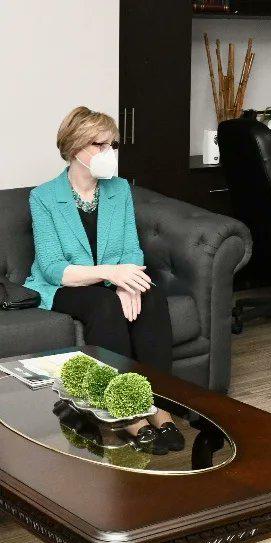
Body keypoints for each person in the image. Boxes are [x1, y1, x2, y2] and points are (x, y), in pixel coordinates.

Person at [25, 106, 183, 455]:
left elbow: (131, 249)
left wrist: (128, 281)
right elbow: (52, 268)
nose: (108, 152)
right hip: (66, 284)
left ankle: (159, 405)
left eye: (112, 144)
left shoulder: (119, 189)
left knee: (151, 295)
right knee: (104, 304)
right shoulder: (44, 197)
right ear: (75, 147)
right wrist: (112, 275)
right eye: (99, 145)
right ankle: (126, 413)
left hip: (112, 278)